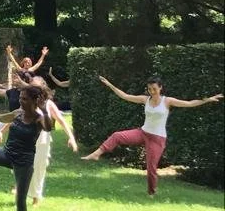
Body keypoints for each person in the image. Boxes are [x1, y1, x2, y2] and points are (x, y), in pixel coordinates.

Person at [81, 76, 223, 195]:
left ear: (160, 88)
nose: (152, 91)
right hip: (142, 132)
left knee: (151, 168)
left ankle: (151, 193)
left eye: (154, 89)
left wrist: (208, 99)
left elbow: (190, 103)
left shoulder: (167, 101)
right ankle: (97, 153)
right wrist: (110, 85)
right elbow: (125, 96)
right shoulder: (145, 99)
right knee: (117, 135)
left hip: (157, 139)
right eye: (150, 89)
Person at [26, 77, 77, 206]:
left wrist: (71, 137)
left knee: (39, 168)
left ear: (43, 88)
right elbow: (14, 117)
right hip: (26, 140)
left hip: (42, 140)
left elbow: (61, 121)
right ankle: (22, 189)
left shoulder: (48, 104)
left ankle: (36, 197)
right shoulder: (26, 102)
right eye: (32, 87)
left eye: (37, 87)